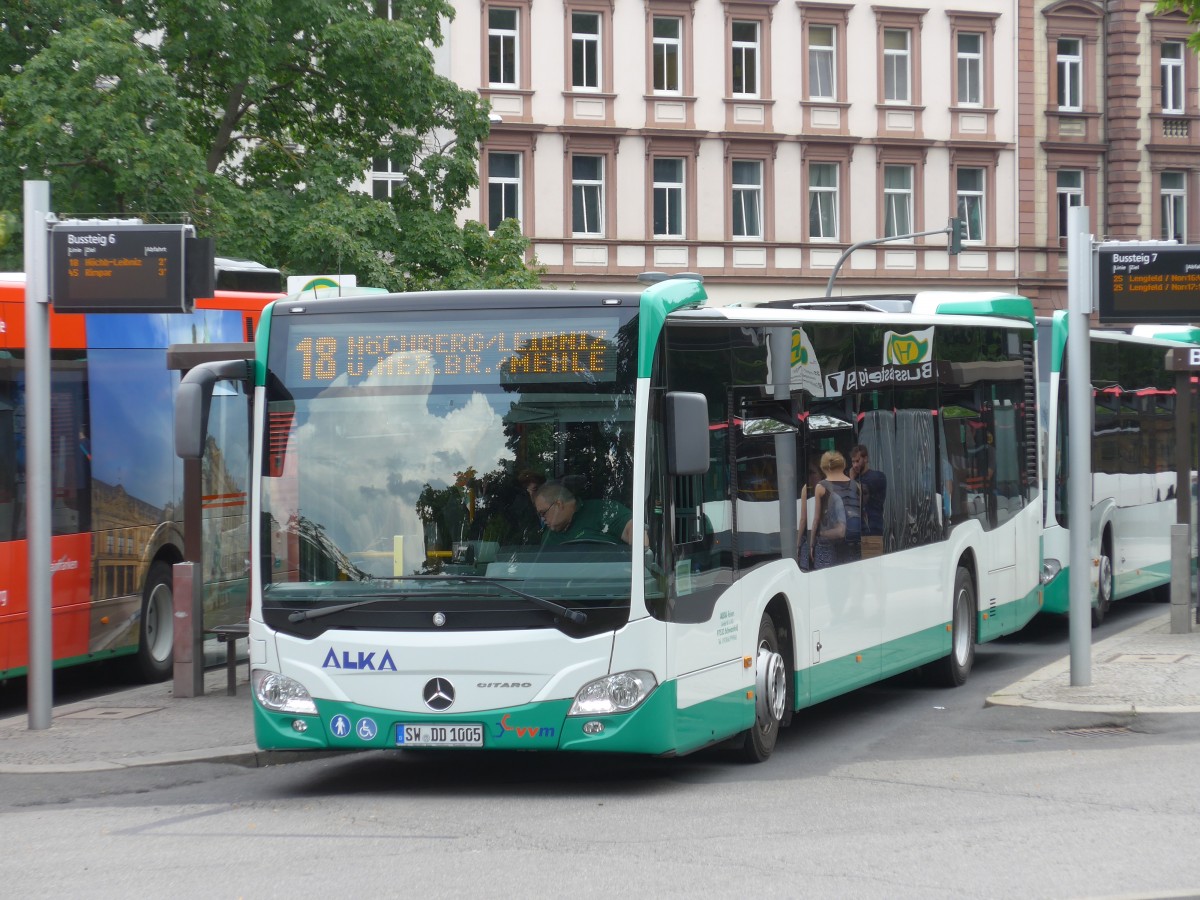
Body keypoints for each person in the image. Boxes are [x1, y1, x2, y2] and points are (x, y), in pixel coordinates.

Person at [535, 480, 635, 547]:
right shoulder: (549, 536)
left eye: (543, 513)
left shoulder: (603, 510)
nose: (542, 519)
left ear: (558, 504)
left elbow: (634, 531)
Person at [810, 450, 860, 568]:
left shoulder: (821, 486)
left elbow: (816, 519)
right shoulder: (856, 485)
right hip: (853, 541)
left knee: (829, 581)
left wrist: (812, 542)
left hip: (828, 543)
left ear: (825, 467)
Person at [850, 444, 886, 557]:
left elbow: (863, 490)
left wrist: (851, 479)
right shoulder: (855, 479)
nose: (855, 465)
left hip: (872, 532)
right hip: (856, 534)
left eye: (857, 461)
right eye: (853, 462)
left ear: (866, 459)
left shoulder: (877, 476)